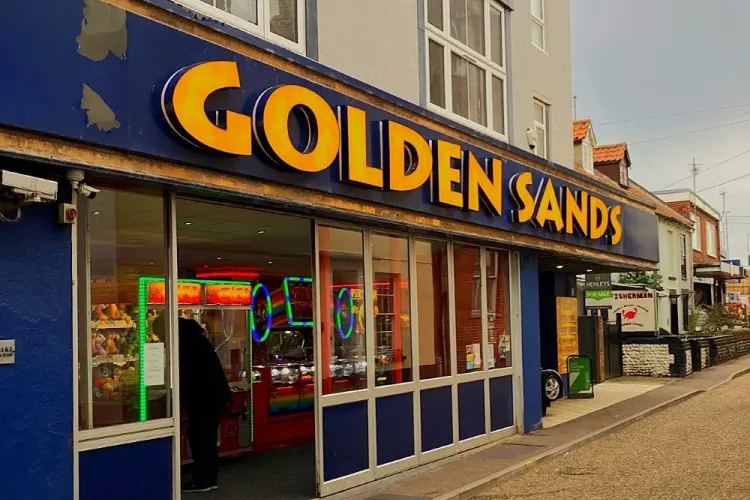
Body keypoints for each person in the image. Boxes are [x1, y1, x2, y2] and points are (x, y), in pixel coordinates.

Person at [153, 315, 231, 493]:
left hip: (203, 397)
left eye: (160, 335)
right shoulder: (193, 337)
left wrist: (171, 393)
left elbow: (185, 373)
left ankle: (203, 479)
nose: (162, 340)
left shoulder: (184, 343)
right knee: (207, 437)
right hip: (213, 395)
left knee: (199, 436)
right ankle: (209, 476)